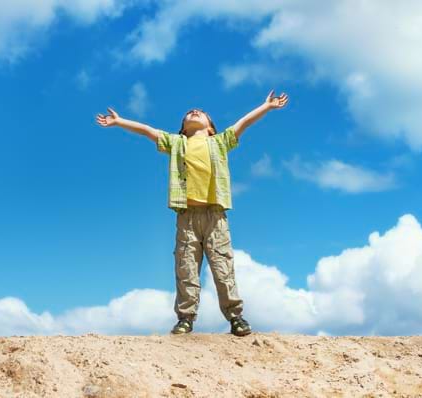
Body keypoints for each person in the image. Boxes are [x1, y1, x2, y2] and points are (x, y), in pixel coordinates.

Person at [96, 90, 289, 336]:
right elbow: (147, 130)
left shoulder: (219, 142)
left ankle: (235, 317)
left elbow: (244, 122)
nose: (194, 111)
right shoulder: (177, 143)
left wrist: (267, 106)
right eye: (189, 114)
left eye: (201, 113)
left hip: (215, 215)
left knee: (222, 267)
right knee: (186, 268)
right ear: (183, 129)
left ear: (210, 128)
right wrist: (119, 121)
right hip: (186, 217)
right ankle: (185, 318)